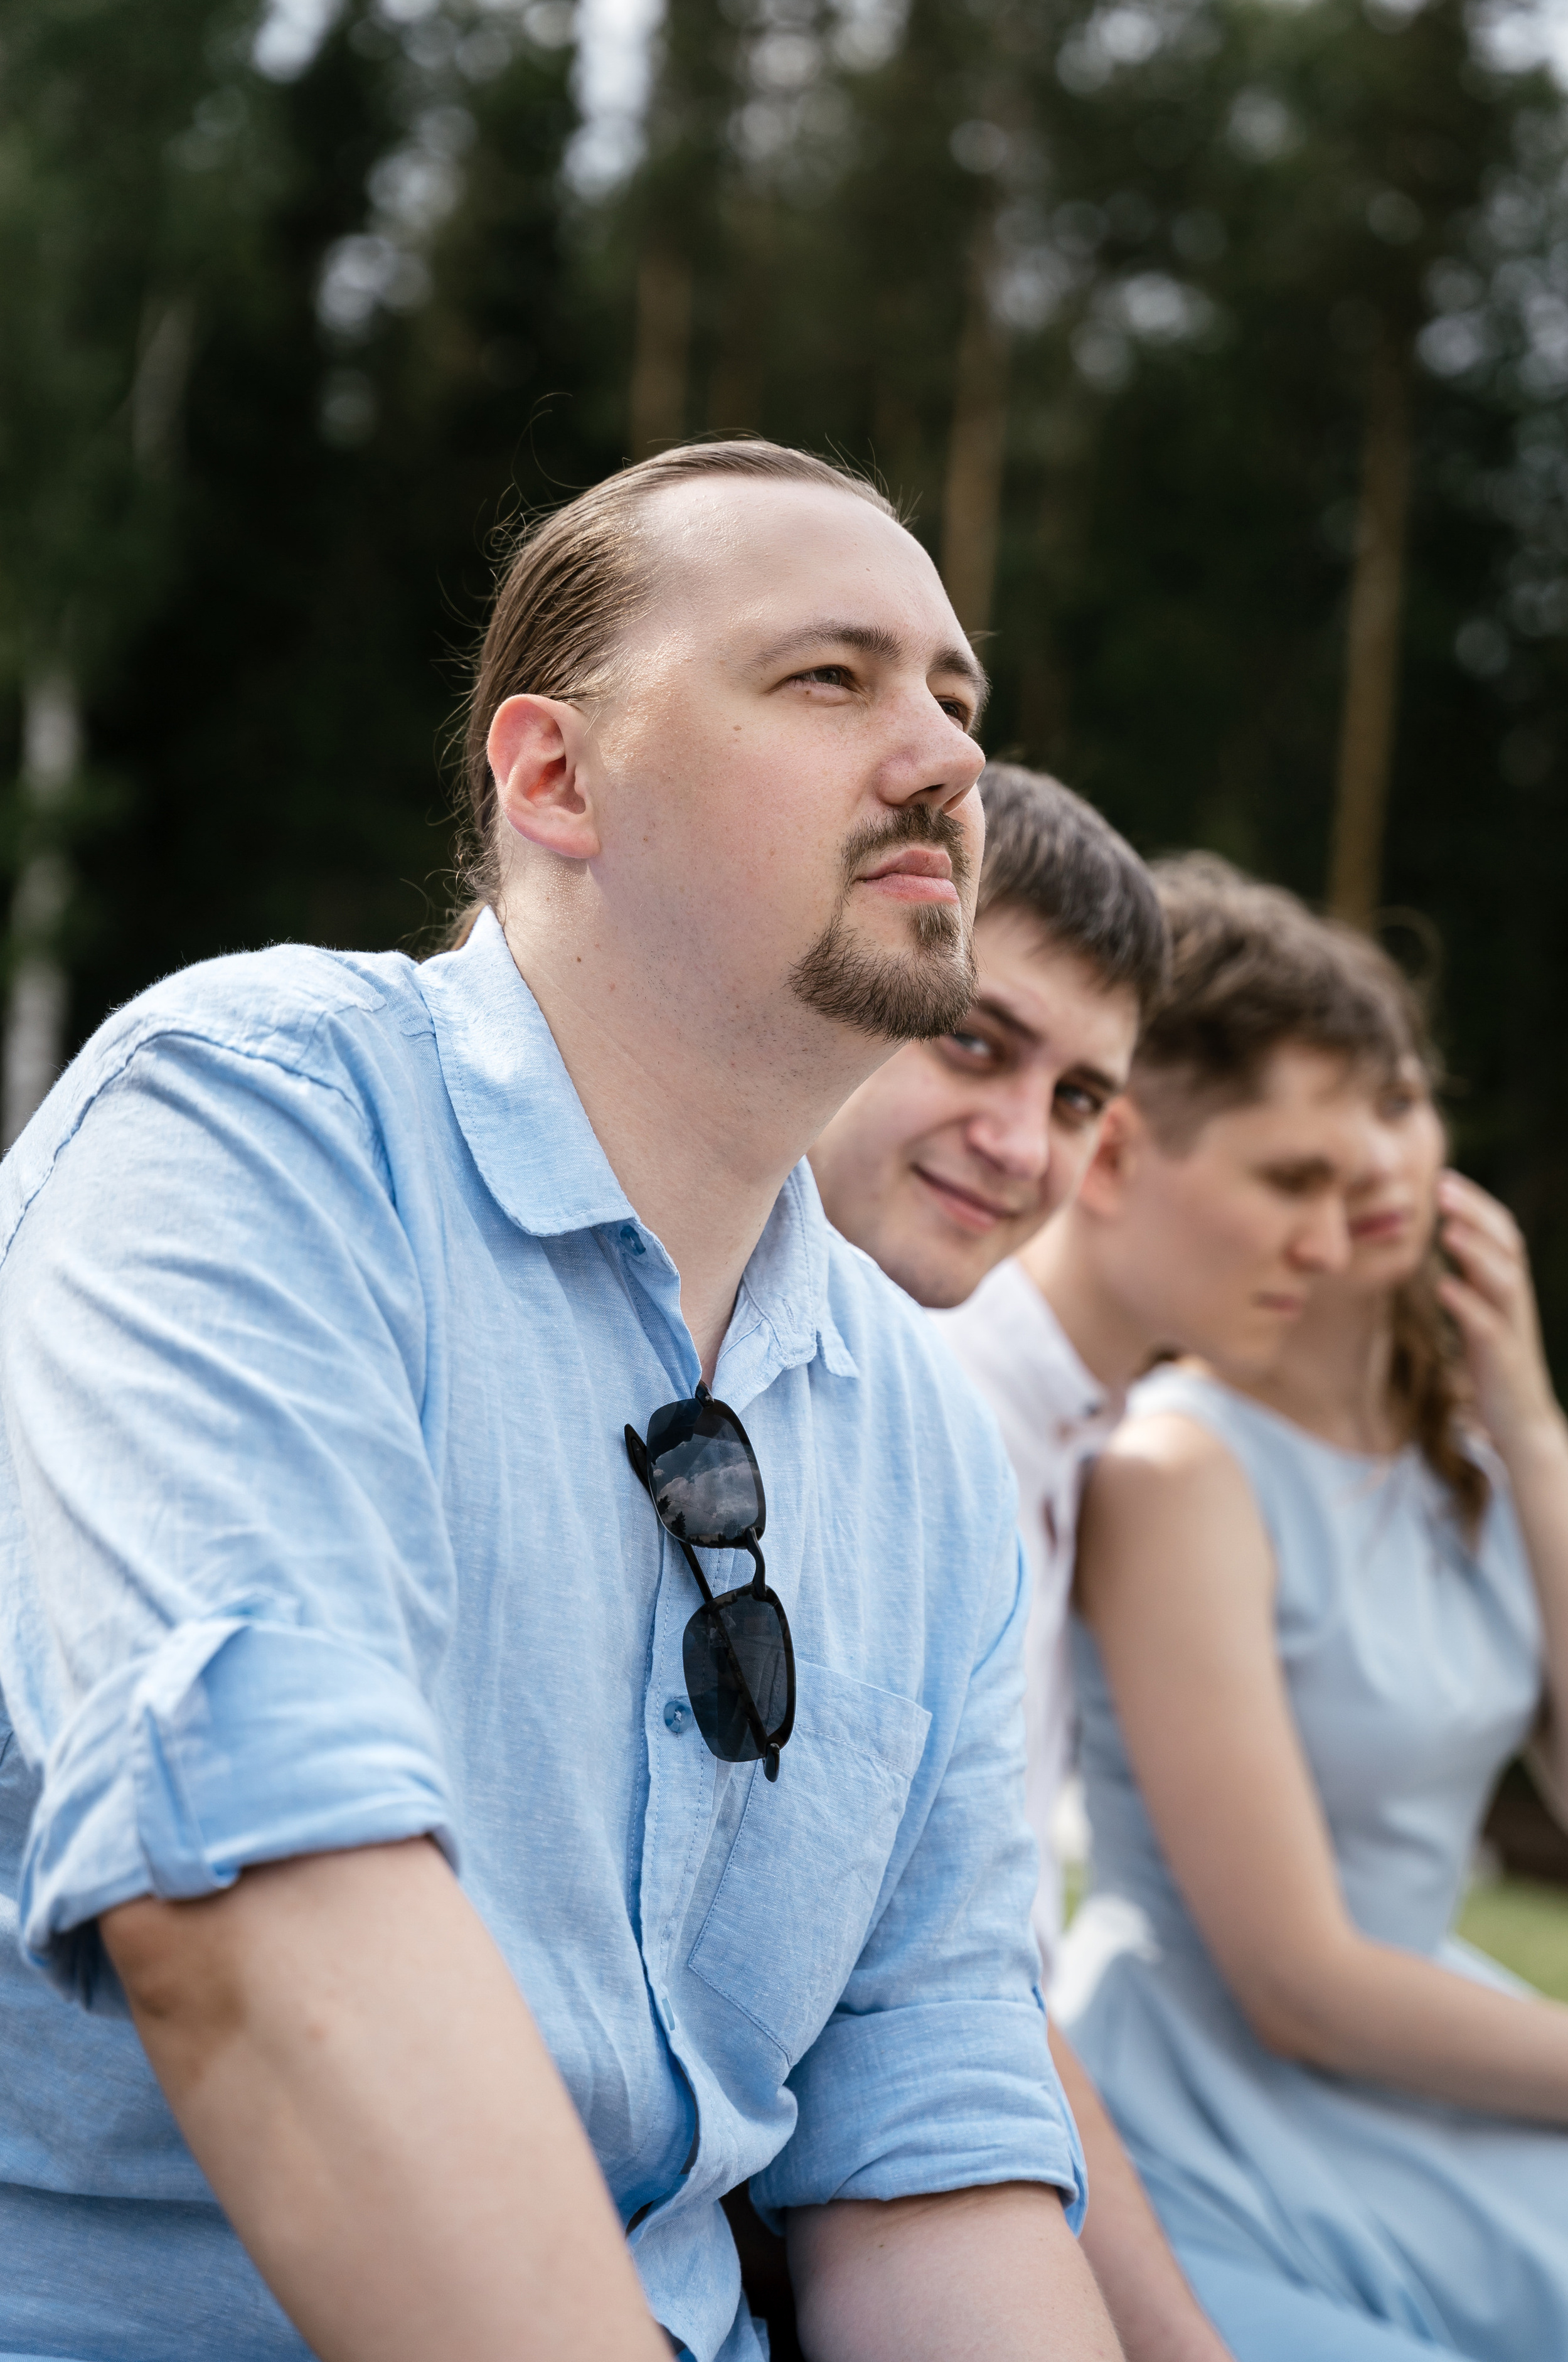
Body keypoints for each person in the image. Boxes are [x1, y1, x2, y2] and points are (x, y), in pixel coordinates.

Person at [0, 441, 1119, 2362]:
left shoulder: (919, 1445)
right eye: (830, 679)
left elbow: (929, 2146)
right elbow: (259, 1923)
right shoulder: (254, 1129)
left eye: (958, 696)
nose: (945, 757)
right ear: (552, 776)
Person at [1065, 859, 1568, 2360]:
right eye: (1314, 1138)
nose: (1372, 1162)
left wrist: (1537, 1430)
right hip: (1227, 2098)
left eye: (1398, 1101)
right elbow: (1297, 1981)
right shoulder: (1176, 1471)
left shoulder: (1475, 1465)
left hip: (1430, 2041)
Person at [814, 764, 1240, 2362]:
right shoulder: (947, 1411)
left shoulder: (925, 1425)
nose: (1018, 1143)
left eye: (1074, 1098)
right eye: (973, 1037)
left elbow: (950, 2003)